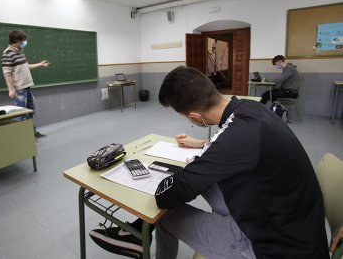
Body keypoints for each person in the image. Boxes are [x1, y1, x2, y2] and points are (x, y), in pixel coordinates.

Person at [89, 66, 329, 259]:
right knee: (198, 177)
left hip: (274, 247)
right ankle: (131, 237)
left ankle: (136, 238)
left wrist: (172, 179)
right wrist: (202, 145)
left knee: (164, 215)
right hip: (296, 226)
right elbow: (237, 147)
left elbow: (168, 195)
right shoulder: (250, 109)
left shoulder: (236, 137)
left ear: (195, 117)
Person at [1, 29, 50, 138]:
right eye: (22, 41)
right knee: (20, 114)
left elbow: (25, 67)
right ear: (15, 41)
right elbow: (7, 73)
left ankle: (32, 133)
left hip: (27, 86)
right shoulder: (7, 54)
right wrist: (10, 89)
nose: (24, 43)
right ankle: (23, 138)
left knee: (30, 111)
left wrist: (40, 64)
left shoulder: (20, 52)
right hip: (19, 89)